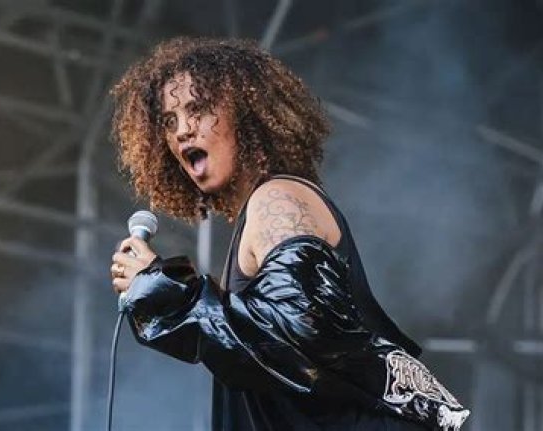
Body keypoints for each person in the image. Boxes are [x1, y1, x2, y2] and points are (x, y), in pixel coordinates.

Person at [108, 37, 469, 431]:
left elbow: (299, 335)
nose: (182, 131)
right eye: (169, 120)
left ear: (245, 113)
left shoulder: (277, 201)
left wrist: (165, 293)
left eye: (198, 109)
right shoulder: (259, 211)